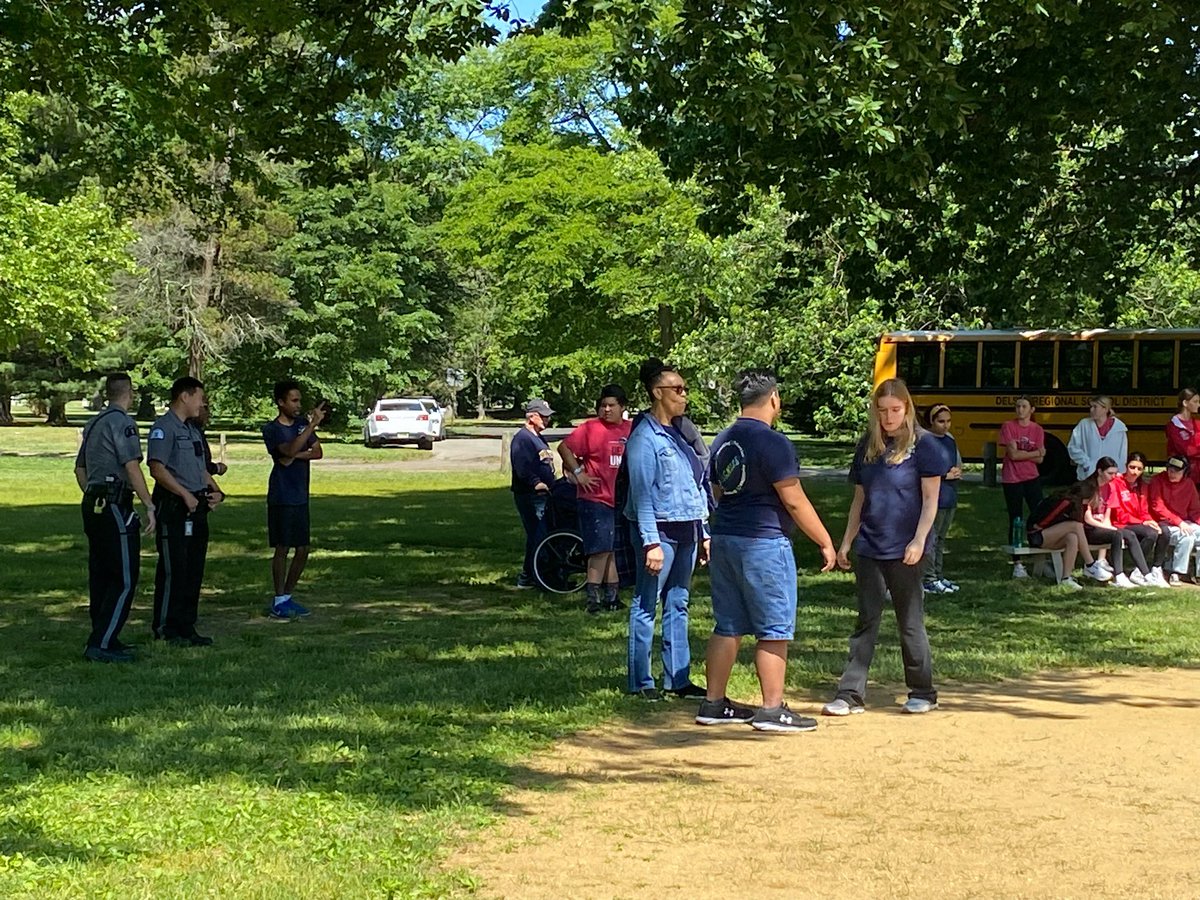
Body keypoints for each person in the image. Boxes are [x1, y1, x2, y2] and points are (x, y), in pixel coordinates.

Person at [699, 370, 836, 733]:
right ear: (774, 398)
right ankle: (773, 710)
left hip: (726, 536)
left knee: (727, 623)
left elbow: (715, 492)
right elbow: (793, 500)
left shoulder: (724, 440)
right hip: (763, 541)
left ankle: (713, 703)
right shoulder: (773, 442)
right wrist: (824, 541)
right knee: (774, 627)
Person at [823, 378, 944, 717]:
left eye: (894, 410)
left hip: (907, 547)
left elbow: (931, 499)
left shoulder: (926, 446)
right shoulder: (867, 447)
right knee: (866, 621)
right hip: (870, 546)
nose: (889, 417)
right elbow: (859, 501)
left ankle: (922, 690)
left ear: (906, 409)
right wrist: (846, 542)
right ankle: (850, 693)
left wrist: (920, 539)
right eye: (882, 411)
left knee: (910, 621)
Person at [624, 358, 709, 701]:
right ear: (657, 393)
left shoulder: (681, 433)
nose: (684, 395)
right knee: (647, 604)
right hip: (658, 532)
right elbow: (642, 494)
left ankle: (678, 679)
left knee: (679, 602)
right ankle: (641, 682)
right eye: (678, 389)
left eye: (685, 389)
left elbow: (695, 485)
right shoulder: (644, 437)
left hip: (687, 528)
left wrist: (704, 532)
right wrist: (651, 543)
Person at [74, 373, 157, 663]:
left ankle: (105, 635)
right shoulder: (122, 423)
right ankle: (101, 643)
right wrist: (148, 504)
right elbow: (131, 466)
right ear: (129, 393)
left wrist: (92, 493)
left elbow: (79, 469)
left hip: (93, 502)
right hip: (114, 504)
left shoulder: (94, 422)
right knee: (123, 577)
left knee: (101, 575)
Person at [147, 376, 224, 646]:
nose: (202, 403)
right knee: (173, 569)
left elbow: (199, 468)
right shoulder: (163, 428)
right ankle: (166, 627)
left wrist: (214, 492)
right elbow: (157, 468)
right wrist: (184, 495)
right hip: (174, 507)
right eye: (199, 397)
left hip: (196, 507)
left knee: (194, 569)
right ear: (184, 396)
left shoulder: (192, 430)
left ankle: (187, 626)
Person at [559, 384, 632, 614]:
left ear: (623, 407)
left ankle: (612, 597)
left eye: (612, 405)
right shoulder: (590, 428)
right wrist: (579, 474)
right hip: (595, 498)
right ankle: (593, 599)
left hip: (620, 499)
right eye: (603, 405)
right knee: (598, 550)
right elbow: (564, 448)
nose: (607, 410)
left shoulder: (632, 429)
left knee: (611, 550)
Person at [262, 380, 326, 619]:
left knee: (303, 548)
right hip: (282, 495)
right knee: (282, 547)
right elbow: (285, 452)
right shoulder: (272, 429)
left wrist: (295, 452)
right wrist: (310, 428)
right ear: (281, 402)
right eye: (294, 400)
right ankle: (278, 598)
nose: (298, 405)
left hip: (300, 495)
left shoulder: (301, 425)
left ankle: (288, 596)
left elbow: (316, 452)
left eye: (299, 400)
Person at [1025, 482, 1114, 589]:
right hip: (1037, 534)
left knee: (1072, 537)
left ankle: (1066, 578)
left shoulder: (1078, 505)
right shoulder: (1065, 501)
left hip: (1049, 535)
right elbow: (1045, 520)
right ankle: (1090, 564)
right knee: (1075, 526)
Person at [1080, 457, 1151, 588]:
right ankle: (1119, 575)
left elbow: (1107, 516)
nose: (1114, 476)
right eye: (1110, 473)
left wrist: (1108, 527)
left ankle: (1145, 573)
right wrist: (1109, 529)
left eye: (1115, 473)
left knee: (1127, 534)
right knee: (1117, 534)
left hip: (1101, 526)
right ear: (1100, 471)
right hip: (1087, 528)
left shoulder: (1110, 487)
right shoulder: (1089, 487)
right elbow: (1087, 518)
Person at [511, 398, 556, 589]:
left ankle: (534, 574)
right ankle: (531, 576)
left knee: (540, 535)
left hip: (544, 494)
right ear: (532, 416)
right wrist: (536, 483)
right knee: (539, 535)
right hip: (531, 495)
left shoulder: (538, 437)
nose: (547, 420)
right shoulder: (522, 439)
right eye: (544, 417)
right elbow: (521, 467)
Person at [1106, 452, 1170, 587]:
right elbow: (1118, 514)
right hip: (1120, 523)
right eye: (1132, 467)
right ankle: (1139, 570)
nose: (1135, 472)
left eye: (1139, 469)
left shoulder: (1142, 486)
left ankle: (1155, 568)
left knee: (1162, 530)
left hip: (1136, 522)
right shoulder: (1116, 483)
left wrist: (1149, 520)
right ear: (1126, 466)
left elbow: (1144, 511)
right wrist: (1142, 522)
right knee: (1150, 533)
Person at [1000, 396, 1046, 579]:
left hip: (1031, 477)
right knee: (1016, 518)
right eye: (1018, 406)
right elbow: (1013, 455)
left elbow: (1041, 460)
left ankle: (1039, 557)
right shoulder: (1008, 427)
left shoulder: (1038, 430)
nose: (1020, 410)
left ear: (1032, 410)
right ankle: (1017, 563)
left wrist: (1025, 454)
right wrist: (1035, 453)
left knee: (1039, 516)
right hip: (1012, 479)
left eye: (1024, 406)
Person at [922, 404, 961, 594]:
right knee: (931, 538)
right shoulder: (925, 441)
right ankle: (928, 578)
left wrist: (955, 472)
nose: (945, 426)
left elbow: (953, 463)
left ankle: (938, 574)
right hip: (934, 497)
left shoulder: (949, 441)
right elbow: (924, 471)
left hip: (949, 495)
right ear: (931, 421)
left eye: (948, 421)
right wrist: (944, 475)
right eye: (941, 421)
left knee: (941, 538)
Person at [1149, 455, 1200, 585]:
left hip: (1184, 523)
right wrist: (1179, 522)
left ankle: (1198, 573)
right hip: (1164, 523)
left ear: (1185, 472)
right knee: (1187, 538)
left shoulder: (1189, 484)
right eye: (1170, 470)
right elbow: (1157, 507)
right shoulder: (1157, 480)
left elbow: (1195, 510)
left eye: (1177, 471)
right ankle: (1176, 572)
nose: (1172, 474)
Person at [1067, 396, 1128, 482]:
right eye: (1091, 407)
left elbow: (1122, 454)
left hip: (1111, 477)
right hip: (1088, 476)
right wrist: (1086, 463)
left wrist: (1119, 472)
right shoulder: (1084, 425)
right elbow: (1073, 447)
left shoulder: (1119, 428)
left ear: (1105, 409)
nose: (1091, 410)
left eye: (1095, 407)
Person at [1165, 387, 1200, 486]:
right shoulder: (1173, 426)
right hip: (1181, 474)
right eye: (1195, 401)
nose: (1198, 405)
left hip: (1197, 475)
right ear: (1185, 403)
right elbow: (1186, 450)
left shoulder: (1197, 424)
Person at [191, 401, 228, 478]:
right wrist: (217, 468)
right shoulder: (190, 432)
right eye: (205, 408)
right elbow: (197, 466)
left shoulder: (197, 431)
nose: (208, 413)